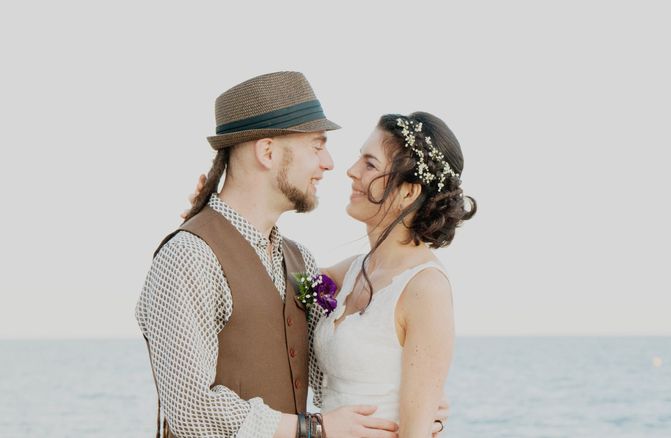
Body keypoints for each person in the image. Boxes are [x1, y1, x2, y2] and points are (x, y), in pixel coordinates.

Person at [136, 71, 428, 438]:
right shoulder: (189, 256)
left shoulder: (299, 259)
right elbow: (192, 410)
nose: (329, 163)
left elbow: (325, 381)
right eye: (317, 145)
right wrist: (314, 429)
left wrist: (406, 404)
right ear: (268, 152)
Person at [316, 112, 476, 438]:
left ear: (408, 192)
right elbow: (271, 274)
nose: (351, 170)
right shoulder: (351, 271)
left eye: (369, 164)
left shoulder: (425, 288)